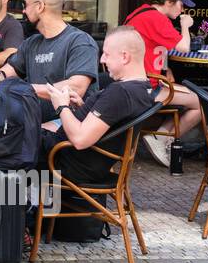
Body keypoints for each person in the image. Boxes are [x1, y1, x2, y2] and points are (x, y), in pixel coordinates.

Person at [43, 26, 159, 188]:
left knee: (7, 144)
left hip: (64, 164)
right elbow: (108, 122)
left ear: (125, 57)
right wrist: (81, 107)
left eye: (106, 54)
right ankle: (37, 207)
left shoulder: (121, 92)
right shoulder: (144, 89)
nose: (102, 60)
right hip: (90, 164)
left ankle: (10, 208)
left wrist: (61, 106)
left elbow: (80, 140)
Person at [0, 0, 100, 122]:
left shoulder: (80, 42)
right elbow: (6, 72)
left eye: (25, 5)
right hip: (32, 121)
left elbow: (76, 87)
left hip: (68, 122)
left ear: (39, 6)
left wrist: (25, 89)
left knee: (4, 140)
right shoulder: (31, 43)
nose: (23, 11)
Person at [124, 0, 204, 166]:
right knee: (201, 103)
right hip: (145, 86)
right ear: (168, 2)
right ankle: (162, 138)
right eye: (181, 4)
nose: (182, 9)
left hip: (131, 81)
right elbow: (184, 47)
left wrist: (166, 67)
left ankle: (161, 137)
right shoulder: (157, 18)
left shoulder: (141, 12)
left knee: (182, 92)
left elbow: (153, 45)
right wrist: (186, 25)